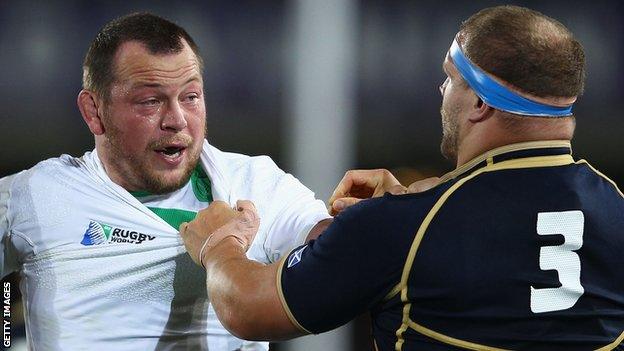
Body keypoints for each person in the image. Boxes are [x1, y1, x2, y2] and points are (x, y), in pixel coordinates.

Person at [180, 5, 624, 350]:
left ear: (479, 104)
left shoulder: (400, 228)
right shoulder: (615, 207)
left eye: (450, 79)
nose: (441, 91)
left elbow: (249, 309)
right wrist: (417, 206)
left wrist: (220, 246)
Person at [0, 12, 331, 351]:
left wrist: (380, 217)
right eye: (150, 101)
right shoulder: (36, 196)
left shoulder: (254, 185)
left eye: (190, 97)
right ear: (94, 111)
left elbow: (337, 254)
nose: (176, 120)